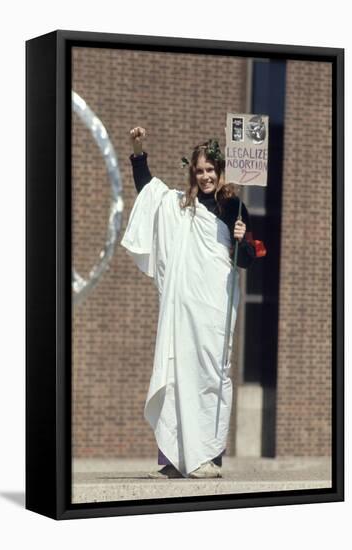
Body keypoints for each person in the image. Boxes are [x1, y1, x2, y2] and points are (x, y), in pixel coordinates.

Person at [120, 127, 256, 479]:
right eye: (199, 170)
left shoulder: (233, 206)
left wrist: (242, 239)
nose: (205, 176)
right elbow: (148, 190)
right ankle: (171, 461)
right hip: (183, 310)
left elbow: (245, 262)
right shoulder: (181, 205)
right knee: (176, 372)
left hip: (214, 309)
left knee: (211, 375)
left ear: (221, 171)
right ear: (192, 173)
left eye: (211, 169)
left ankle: (209, 457)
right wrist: (138, 150)